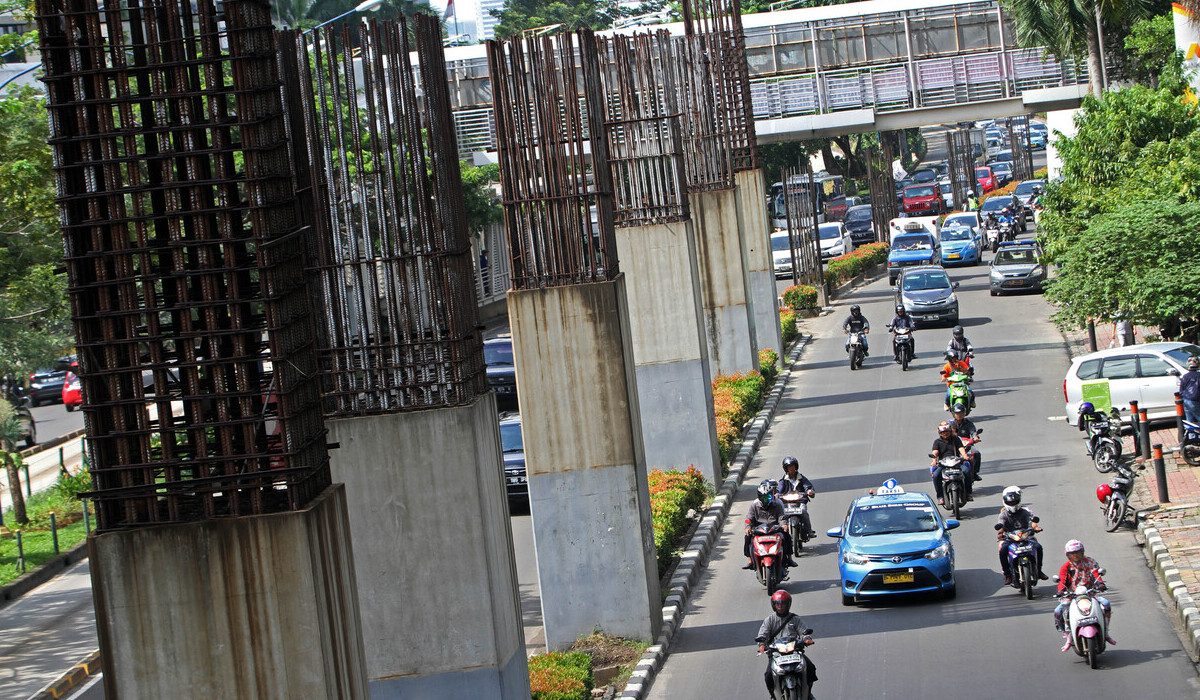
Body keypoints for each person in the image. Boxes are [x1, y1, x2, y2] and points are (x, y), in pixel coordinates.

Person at [1054, 539, 1116, 650]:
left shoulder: (1090, 562)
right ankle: (1068, 636)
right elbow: (1062, 581)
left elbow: (1096, 573)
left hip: (1090, 593)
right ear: (1068, 555)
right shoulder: (1066, 567)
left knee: (1106, 604)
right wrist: (1061, 591)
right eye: (1072, 554)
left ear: (1082, 552)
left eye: (1078, 552)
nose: (1076, 555)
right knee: (1059, 611)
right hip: (1072, 595)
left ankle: (1106, 632)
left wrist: (1100, 584)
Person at [756, 590, 816, 699]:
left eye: (783, 604)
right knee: (768, 675)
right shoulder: (769, 620)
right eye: (778, 604)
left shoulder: (795, 619)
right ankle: (773, 696)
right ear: (774, 605)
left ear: (788, 604)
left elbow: (804, 632)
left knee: (811, 668)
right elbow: (762, 635)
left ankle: (808, 693)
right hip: (776, 654)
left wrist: (807, 639)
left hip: (795, 651)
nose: (781, 607)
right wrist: (762, 645)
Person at [993, 486, 1046, 585]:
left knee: (1038, 547)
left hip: (1026, 536)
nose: (1012, 505)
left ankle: (1039, 571)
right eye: (1010, 503)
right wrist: (1000, 533)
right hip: (1011, 537)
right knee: (1003, 550)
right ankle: (1008, 575)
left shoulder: (1025, 512)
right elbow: (1001, 525)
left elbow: (1032, 521)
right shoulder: (1003, 515)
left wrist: (1036, 527)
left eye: (1014, 502)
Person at [744, 480, 797, 569]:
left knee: (786, 536)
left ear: (771, 495)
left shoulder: (778, 504)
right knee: (747, 538)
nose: (765, 500)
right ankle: (750, 561)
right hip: (759, 530)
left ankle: (789, 558)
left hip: (774, 529)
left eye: (767, 497)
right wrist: (748, 527)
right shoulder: (754, 505)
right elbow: (749, 517)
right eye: (763, 497)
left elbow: (782, 517)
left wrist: (784, 525)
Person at [930, 421, 973, 504]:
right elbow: (935, 452)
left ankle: (968, 493)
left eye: (946, 432)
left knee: (967, 471)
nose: (945, 434)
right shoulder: (937, 442)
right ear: (940, 433)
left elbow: (961, 449)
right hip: (943, 464)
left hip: (956, 462)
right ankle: (940, 497)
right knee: (935, 475)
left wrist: (964, 456)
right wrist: (934, 460)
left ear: (950, 431)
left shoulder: (956, 439)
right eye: (943, 432)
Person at [778, 456, 816, 538]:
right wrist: (777, 494)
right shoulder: (783, 480)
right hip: (787, 502)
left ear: (796, 466)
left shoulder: (802, 478)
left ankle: (809, 530)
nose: (791, 468)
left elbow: (808, 486)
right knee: (782, 515)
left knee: (804, 512)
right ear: (786, 468)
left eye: (792, 466)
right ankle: (781, 532)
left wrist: (809, 491)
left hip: (800, 501)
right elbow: (779, 489)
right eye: (789, 466)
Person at [949, 404, 982, 480]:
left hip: (967, 445)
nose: (959, 415)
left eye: (961, 413)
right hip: (954, 445)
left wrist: (975, 437)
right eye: (957, 414)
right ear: (953, 414)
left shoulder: (968, 423)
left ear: (964, 413)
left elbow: (973, 432)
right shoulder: (950, 424)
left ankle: (974, 473)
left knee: (976, 453)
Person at [1181, 355, 1200, 425]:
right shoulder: (1199, 375)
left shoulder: (1185, 376)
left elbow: (1181, 390)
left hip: (1186, 400)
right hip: (1195, 400)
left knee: (1190, 421)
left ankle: (1191, 435)